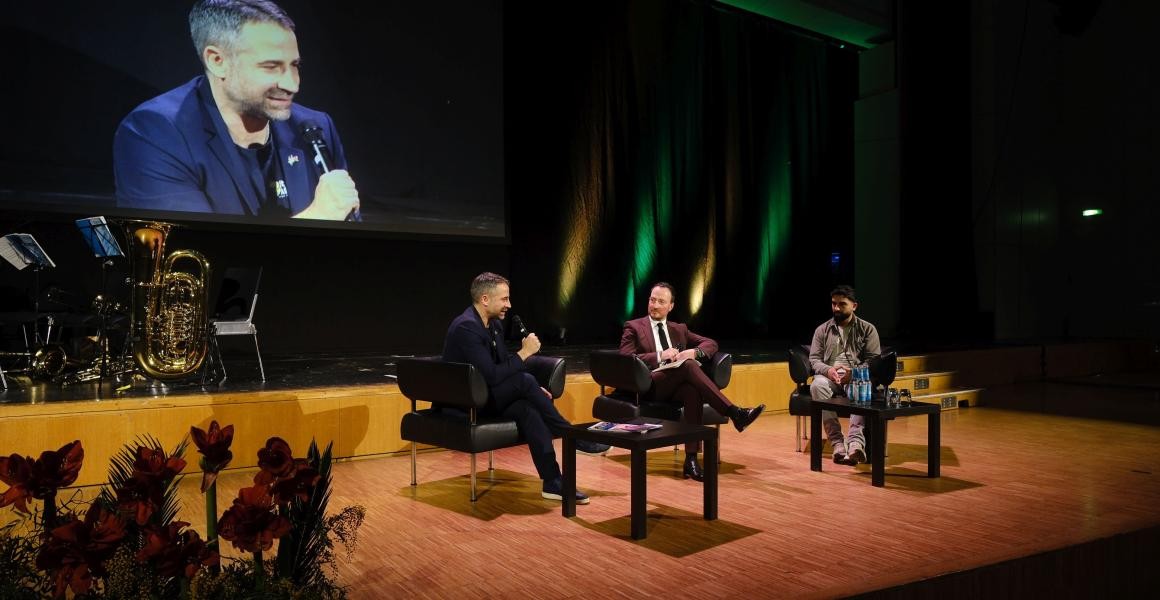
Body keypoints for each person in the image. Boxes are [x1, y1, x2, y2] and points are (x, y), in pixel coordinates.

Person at [113, 0, 360, 221]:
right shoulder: (156, 133)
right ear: (217, 61)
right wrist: (316, 219)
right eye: (271, 66)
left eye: (294, 65)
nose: (292, 84)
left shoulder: (314, 128)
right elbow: (190, 256)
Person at [442, 272, 610, 504]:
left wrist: (531, 389)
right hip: (464, 401)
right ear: (485, 299)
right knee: (525, 382)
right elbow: (491, 374)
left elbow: (502, 365)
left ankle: (553, 481)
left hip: (485, 395)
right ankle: (572, 436)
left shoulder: (494, 326)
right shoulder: (466, 328)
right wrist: (525, 353)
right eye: (504, 299)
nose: (508, 305)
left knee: (528, 410)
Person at [619, 282, 765, 482]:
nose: (654, 305)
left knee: (692, 391)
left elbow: (711, 344)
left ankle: (691, 460)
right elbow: (626, 358)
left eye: (661, 302)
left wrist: (694, 352)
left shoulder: (679, 329)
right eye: (652, 300)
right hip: (649, 385)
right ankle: (734, 412)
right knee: (688, 366)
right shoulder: (634, 327)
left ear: (671, 306)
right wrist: (660, 355)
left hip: (674, 384)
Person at [808, 285, 881, 466]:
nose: (836, 308)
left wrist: (853, 373)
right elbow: (814, 359)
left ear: (854, 306)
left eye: (842, 304)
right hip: (830, 376)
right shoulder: (822, 330)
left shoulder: (868, 329)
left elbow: (874, 360)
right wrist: (829, 371)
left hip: (854, 375)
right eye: (834, 304)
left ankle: (856, 444)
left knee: (861, 384)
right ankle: (838, 444)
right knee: (817, 385)